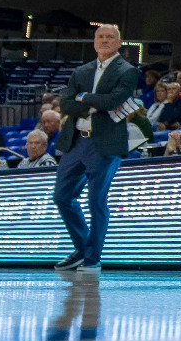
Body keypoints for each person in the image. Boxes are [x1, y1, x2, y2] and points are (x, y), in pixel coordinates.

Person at [50, 24, 141, 275]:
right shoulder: (81, 71)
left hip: (105, 144)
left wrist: (83, 97)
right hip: (76, 141)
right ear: (94, 42)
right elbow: (66, 104)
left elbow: (113, 101)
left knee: (96, 201)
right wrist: (91, 103)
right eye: (100, 36)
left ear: (119, 42)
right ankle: (83, 248)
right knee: (61, 197)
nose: (105, 40)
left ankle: (92, 258)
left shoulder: (127, 70)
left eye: (110, 37)